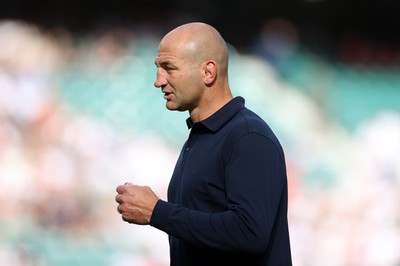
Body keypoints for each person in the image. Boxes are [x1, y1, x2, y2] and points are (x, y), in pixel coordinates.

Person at [115, 22, 292, 266]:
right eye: (158, 68)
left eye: (169, 68)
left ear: (208, 72)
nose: (158, 81)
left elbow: (249, 233)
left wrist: (157, 212)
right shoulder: (200, 137)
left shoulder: (248, 137)